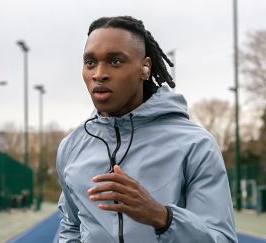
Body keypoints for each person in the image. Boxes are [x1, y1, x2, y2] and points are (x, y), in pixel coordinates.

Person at [56, 16, 237, 243]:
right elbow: (71, 228)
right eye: (90, 62)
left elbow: (222, 239)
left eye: (115, 61)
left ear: (145, 67)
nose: (98, 74)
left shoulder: (195, 144)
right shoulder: (71, 148)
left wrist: (162, 218)